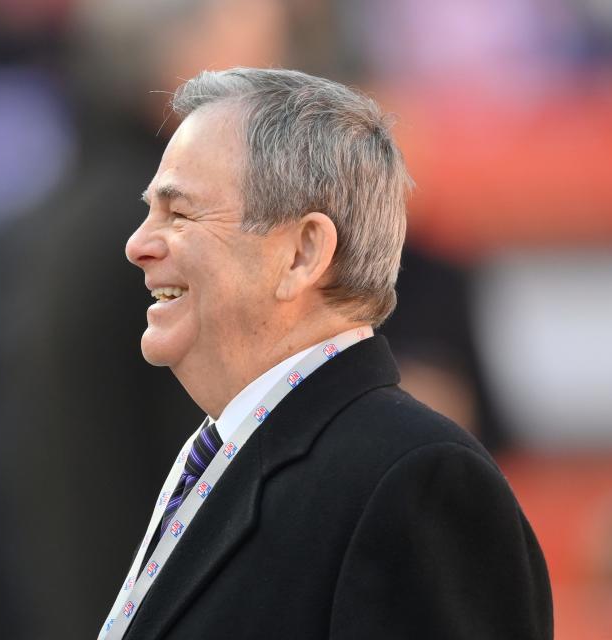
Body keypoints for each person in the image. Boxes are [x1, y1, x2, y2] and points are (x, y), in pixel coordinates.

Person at [103, 68, 552, 639]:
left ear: (302, 253)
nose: (137, 244)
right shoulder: (222, 452)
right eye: (151, 211)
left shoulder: (416, 479)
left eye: (180, 213)